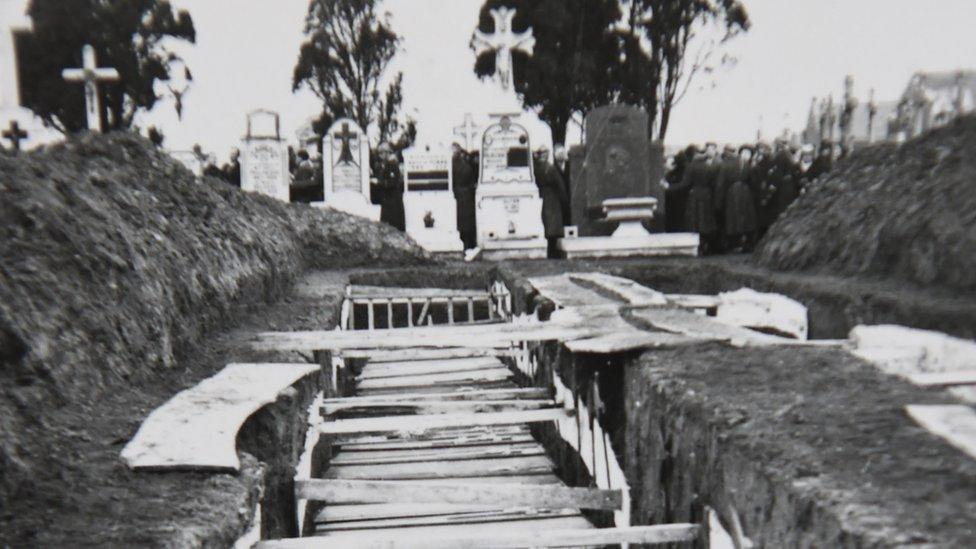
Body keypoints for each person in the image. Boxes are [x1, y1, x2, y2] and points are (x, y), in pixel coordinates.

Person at [668, 148, 717, 254]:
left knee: (696, 222)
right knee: (706, 221)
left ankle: (699, 246)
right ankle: (706, 246)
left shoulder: (691, 167)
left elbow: (684, 184)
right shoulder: (710, 167)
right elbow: (714, 184)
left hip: (695, 195)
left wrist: (669, 187)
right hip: (707, 195)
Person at [533, 146, 568, 258]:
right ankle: (554, 253)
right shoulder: (551, 168)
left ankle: (549, 252)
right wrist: (564, 200)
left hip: (542, 197)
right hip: (553, 199)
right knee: (554, 227)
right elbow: (560, 185)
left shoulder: (535, 169)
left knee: (547, 225)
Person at [721, 145, 759, 251]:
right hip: (743, 192)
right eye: (744, 153)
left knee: (738, 217)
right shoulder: (747, 164)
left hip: (736, 192)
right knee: (740, 217)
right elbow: (753, 181)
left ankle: (738, 242)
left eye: (748, 153)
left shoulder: (730, 164)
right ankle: (741, 242)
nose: (746, 156)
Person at [452, 143, 478, 249]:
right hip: (466, 195)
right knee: (466, 222)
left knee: (459, 220)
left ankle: (464, 242)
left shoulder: (451, 166)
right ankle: (468, 244)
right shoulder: (467, 166)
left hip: (456, 193)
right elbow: (471, 182)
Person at [374, 142, 405, 231]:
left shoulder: (392, 164)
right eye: (380, 153)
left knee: (393, 227)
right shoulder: (386, 164)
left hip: (393, 202)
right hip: (388, 201)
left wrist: (379, 182)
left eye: (381, 153)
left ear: (387, 153)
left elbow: (391, 182)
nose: (380, 156)